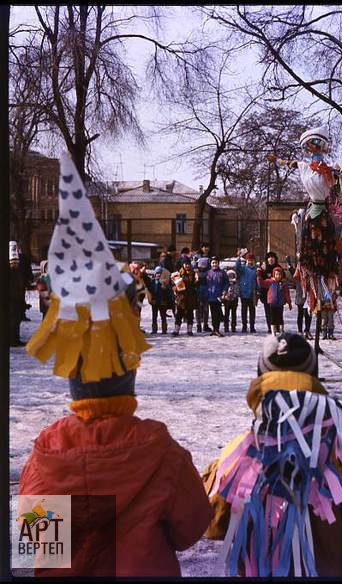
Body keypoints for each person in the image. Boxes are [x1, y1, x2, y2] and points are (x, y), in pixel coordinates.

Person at [20, 151, 213, 577]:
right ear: (131, 368)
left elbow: (38, 549)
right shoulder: (159, 450)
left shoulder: (46, 454)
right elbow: (192, 526)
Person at [200, 333, 342, 577]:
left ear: (260, 377)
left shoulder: (241, 451)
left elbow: (211, 522)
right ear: (314, 376)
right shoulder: (336, 452)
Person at [257, 265, 292, 335]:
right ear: (274, 275)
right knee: (273, 318)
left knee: (280, 318)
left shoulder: (283, 284)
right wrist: (259, 275)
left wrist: (289, 303)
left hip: (280, 303)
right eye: (276, 274)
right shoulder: (270, 282)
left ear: (281, 275)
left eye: (279, 274)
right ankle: (273, 331)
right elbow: (261, 283)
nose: (278, 276)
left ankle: (281, 330)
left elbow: (286, 294)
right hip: (272, 303)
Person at [172, 259, 197, 337]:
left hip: (190, 296)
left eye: (188, 264)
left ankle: (189, 330)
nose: (187, 266)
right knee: (179, 314)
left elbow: (196, 285)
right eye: (185, 264)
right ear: (183, 265)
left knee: (190, 313)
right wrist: (175, 288)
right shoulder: (178, 274)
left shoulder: (193, 274)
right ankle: (176, 330)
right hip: (181, 297)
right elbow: (173, 285)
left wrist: (197, 280)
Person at [206, 256, 229, 337]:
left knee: (218, 313)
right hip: (210, 296)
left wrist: (224, 291)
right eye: (213, 263)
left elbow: (226, 283)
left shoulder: (222, 273)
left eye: (216, 263)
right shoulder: (208, 273)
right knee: (212, 313)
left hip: (219, 296)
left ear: (218, 264)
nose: (214, 264)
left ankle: (217, 329)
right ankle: (214, 329)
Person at [236, 250, 258, 333]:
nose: (250, 262)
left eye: (252, 260)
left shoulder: (256, 270)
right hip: (244, 292)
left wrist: (258, 290)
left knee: (252, 311)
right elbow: (237, 268)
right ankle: (244, 326)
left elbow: (258, 281)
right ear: (246, 261)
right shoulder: (243, 269)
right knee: (244, 310)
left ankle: (252, 326)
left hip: (252, 293)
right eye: (249, 260)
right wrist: (238, 258)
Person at [148, 266, 174, 334]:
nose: (158, 275)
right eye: (157, 273)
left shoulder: (165, 282)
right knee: (154, 316)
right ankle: (154, 329)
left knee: (163, 316)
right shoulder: (152, 281)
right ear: (155, 274)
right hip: (155, 301)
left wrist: (165, 288)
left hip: (162, 302)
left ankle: (164, 329)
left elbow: (169, 292)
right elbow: (150, 290)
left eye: (160, 273)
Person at [259, 251, 281, 330]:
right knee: (268, 312)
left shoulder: (279, 267)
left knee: (278, 312)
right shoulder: (263, 268)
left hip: (277, 295)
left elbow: (283, 279)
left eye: (272, 257)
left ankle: (278, 327)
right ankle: (270, 328)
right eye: (269, 258)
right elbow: (260, 280)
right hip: (266, 294)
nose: (271, 259)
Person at [193, 242, 212, 333]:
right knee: (198, 307)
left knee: (206, 307)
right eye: (204, 247)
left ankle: (205, 324)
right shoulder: (197, 257)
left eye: (207, 247)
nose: (206, 249)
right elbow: (193, 267)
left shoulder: (210, 257)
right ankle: (198, 325)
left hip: (207, 287)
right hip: (198, 287)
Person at [9, 248, 26, 347]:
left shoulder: (18, 272)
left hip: (18, 299)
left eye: (16, 262)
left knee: (17, 320)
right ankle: (12, 340)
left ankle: (16, 338)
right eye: (13, 262)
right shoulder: (10, 273)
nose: (15, 264)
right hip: (12, 300)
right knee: (12, 321)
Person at [293, 262, 313, 340]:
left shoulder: (311, 268)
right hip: (301, 294)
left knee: (308, 313)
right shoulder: (298, 268)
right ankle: (300, 331)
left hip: (309, 294)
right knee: (300, 313)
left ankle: (307, 330)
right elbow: (295, 277)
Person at [223, 269, 240, 333]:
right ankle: (226, 326)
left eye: (232, 275)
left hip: (234, 300)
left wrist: (235, 296)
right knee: (226, 313)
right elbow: (224, 290)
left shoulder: (236, 283)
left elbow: (238, 290)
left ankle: (233, 326)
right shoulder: (226, 283)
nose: (231, 277)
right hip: (227, 300)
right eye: (229, 275)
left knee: (234, 313)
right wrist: (225, 295)